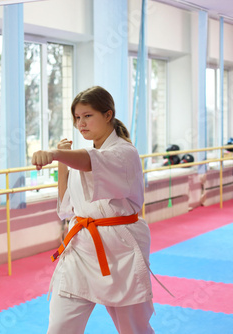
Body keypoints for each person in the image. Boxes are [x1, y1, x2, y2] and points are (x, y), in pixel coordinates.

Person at [32, 86, 154, 334]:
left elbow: (90, 162)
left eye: (88, 116)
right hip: (81, 246)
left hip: (120, 249)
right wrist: (63, 163)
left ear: (108, 115)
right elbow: (67, 207)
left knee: (133, 328)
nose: (81, 123)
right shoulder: (83, 157)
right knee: (59, 328)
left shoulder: (124, 152)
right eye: (77, 117)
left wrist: (56, 154)